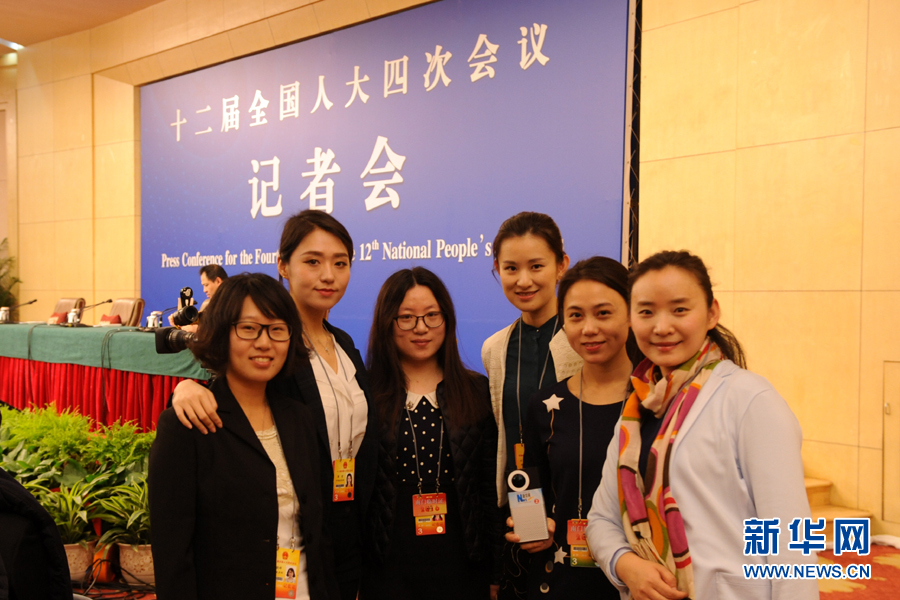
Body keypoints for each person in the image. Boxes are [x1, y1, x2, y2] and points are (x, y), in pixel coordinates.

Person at [169, 210, 377, 600]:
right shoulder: (274, 349)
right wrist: (182, 388)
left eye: (340, 263)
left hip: (342, 528)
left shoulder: (345, 344)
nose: (328, 275)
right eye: (312, 261)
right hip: (274, 539)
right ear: (283, 265)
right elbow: (232, 396)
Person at [586, 250, 818, 600]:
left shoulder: (750, 400)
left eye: (679, 310)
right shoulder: (638, 409)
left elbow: (790, 540)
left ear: (712, 313)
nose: (662, 327)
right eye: (646, 312)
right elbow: (602, 519)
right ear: (631, 319)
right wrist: (625, 563)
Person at [149, 273, 337, 600]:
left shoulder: (299, 418)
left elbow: (318, 534)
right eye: (248, 328)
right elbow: (173, 558)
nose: (264, 343)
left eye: (277, 329)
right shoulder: (187, 427)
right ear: (221, 333)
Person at [362, 267, 503, 600]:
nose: (421, 328)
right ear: (387, 323)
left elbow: (488, 489)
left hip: (463, 559)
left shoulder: (475, 390)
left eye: (431, 316)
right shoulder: (365, 393)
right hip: (387, 561)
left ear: (447, 319)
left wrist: (496, 569)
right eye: (406, 318)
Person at [505, 257, 638, 599]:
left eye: (603, 313)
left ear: (631, 314)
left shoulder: (656, 401)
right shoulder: (545, 405)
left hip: (640, 581)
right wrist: (531, 528)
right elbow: (527, 485)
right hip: (559, 581)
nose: (589, 329)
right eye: (576, 316)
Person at [481, 212, 582, 599]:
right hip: (518, 515)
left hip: (579, 516)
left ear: (561, 265)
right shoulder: (495, 348)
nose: (523, 280)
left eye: (536, 266)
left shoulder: (586, 341)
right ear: (498, 269)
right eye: (511, 268)